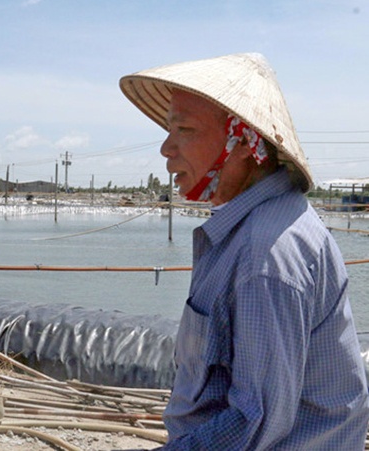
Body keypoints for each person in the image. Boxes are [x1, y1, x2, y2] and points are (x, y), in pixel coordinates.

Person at [119, 53, 369, 449]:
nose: (166, 149)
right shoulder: (249, 232)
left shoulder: (265, 255)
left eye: (184, 129)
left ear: (241, 142)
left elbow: (255, 424)